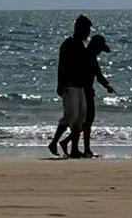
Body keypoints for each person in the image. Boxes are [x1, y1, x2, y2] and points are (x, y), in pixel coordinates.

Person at [60, 34, 115, 158]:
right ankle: (85, 149)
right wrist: (107, 85)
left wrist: (107, 85)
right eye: (100, 49)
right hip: (85, 93)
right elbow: (99, 76)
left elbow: (98, 76)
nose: (100, 52)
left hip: (82, 91)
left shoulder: (85, 55)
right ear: (96, 47)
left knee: (82, 123)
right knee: (87, 122)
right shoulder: (90, 58)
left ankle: (69, 143)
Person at [47, 14, 91, 158]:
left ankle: (74, 149)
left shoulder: (81, 45)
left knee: (81, 117)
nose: (88, 33)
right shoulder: (68, 44)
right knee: (70, 115)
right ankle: (54, 142)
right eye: (86, 29)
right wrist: (60, 84)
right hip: (69, 85)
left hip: (80, 86)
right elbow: (62, 65)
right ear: (79, 28)